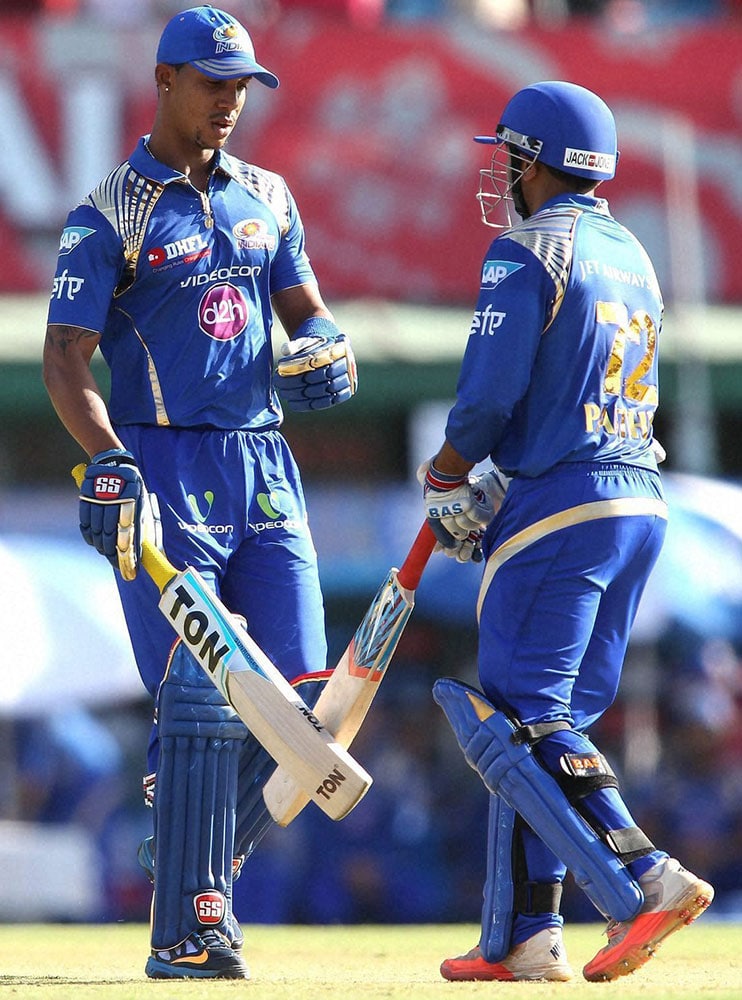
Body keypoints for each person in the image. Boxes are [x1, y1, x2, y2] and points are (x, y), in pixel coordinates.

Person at [42, 4, 357, 980]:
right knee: (201, 691)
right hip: (162, 465)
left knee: (309, 712)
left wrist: (325, 347)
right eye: (212, 82)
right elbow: (63, 355)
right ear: (167, 82)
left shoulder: (269, 194)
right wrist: (106, 459)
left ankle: (191, 856)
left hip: (263, 466)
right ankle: (188, 925)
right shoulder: (110, 212)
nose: (229, 101)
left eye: (242, 85)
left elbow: (307, 311)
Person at [419, 80, 714, 983]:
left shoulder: (526, 248)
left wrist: (448, 473)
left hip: (563, 507)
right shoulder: (633, 249)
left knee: (517, 717)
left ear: (536, 161)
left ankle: (644, 875)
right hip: (638, 503)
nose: (501, 172)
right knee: (552, 723)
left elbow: (488, 398)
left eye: (509, 155)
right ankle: (522, 936)